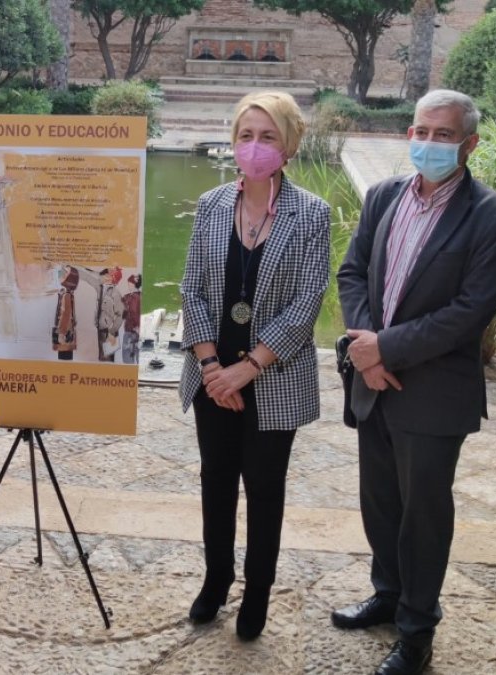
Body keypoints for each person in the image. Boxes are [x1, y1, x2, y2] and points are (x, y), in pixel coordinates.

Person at [334, 89, 496, 675]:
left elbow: (470, 311)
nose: (429, 143)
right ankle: (388, 595)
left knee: (424, 518)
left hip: (434, 392)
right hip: (374, 383)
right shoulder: (384, 195)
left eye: (444, 135)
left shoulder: (493, 215)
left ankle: (416, 631)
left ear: (470, 144)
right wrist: (366, 352)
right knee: (380, 503)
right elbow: (353, 272)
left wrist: (385, 348)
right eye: (421, 131)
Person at [178, 91, 330, 640]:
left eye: (267, 137)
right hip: (211, 374)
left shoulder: (311, 214)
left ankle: (257, 591)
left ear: (289, 145)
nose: (255, 146)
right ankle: (216, 579)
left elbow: (307, 303)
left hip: (273, 379)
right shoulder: (213, 204)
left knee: (265, 488)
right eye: (246, 136)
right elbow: (192, 289)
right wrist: (212, 366)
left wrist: (247, 369)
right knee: (215, 480)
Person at [76, 266, 124, 362]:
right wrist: (72, 269)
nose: (101, 277)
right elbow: (87, 277)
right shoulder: (100, 287)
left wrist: (112, 331)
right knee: (102, 357)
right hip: (101, 329)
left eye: (105, 275)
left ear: (111, 278)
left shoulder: (116, 294)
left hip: (109, 332)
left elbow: (121, 315)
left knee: (108, 359)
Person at [53, 266, 79, 360]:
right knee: (66, 355)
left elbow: (65, 315)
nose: (62, 273)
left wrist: (62, 333)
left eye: (66, 272)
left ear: (70, 279)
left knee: (64, 356)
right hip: (68, 330)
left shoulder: (66, 295)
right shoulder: (69, 294)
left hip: (64, 332)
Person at [122, 273, 142, 364]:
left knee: (127, 359)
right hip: (139, 331)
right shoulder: (140, 296)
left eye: (129, 284)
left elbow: (133, 312)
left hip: (131, 331)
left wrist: (136, 327)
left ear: (133, 284)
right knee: (139, 358)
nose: (128, 285)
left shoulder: (133, 297)